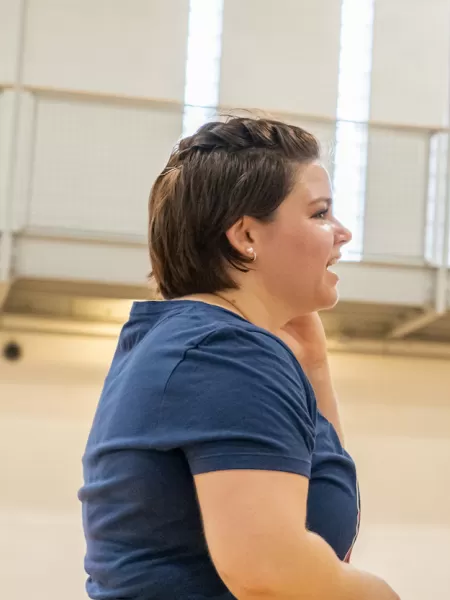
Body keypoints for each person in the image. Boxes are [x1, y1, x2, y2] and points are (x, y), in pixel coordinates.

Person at [78, 117, 399, 599]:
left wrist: (313, 365)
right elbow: (268, 572)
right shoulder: (226, 353)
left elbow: (320, 507)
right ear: (246, 235)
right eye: (319, 214)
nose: (342, 232)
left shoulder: (202, 343)